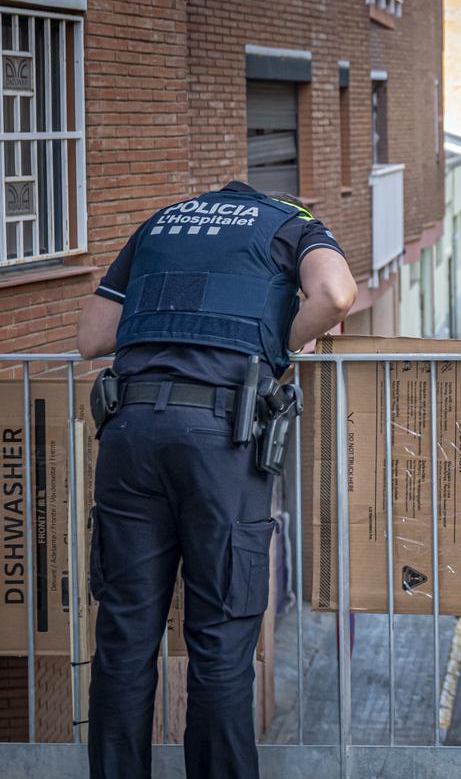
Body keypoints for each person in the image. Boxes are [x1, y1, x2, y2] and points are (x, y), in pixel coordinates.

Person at [76, 181, 357, 779]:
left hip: (129, 435)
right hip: (221, 441)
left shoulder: (161, 222)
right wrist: (277, 346)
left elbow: (91, 337)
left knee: (123, 641)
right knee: (221, 646)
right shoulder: (292, 224)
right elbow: (335, 294)